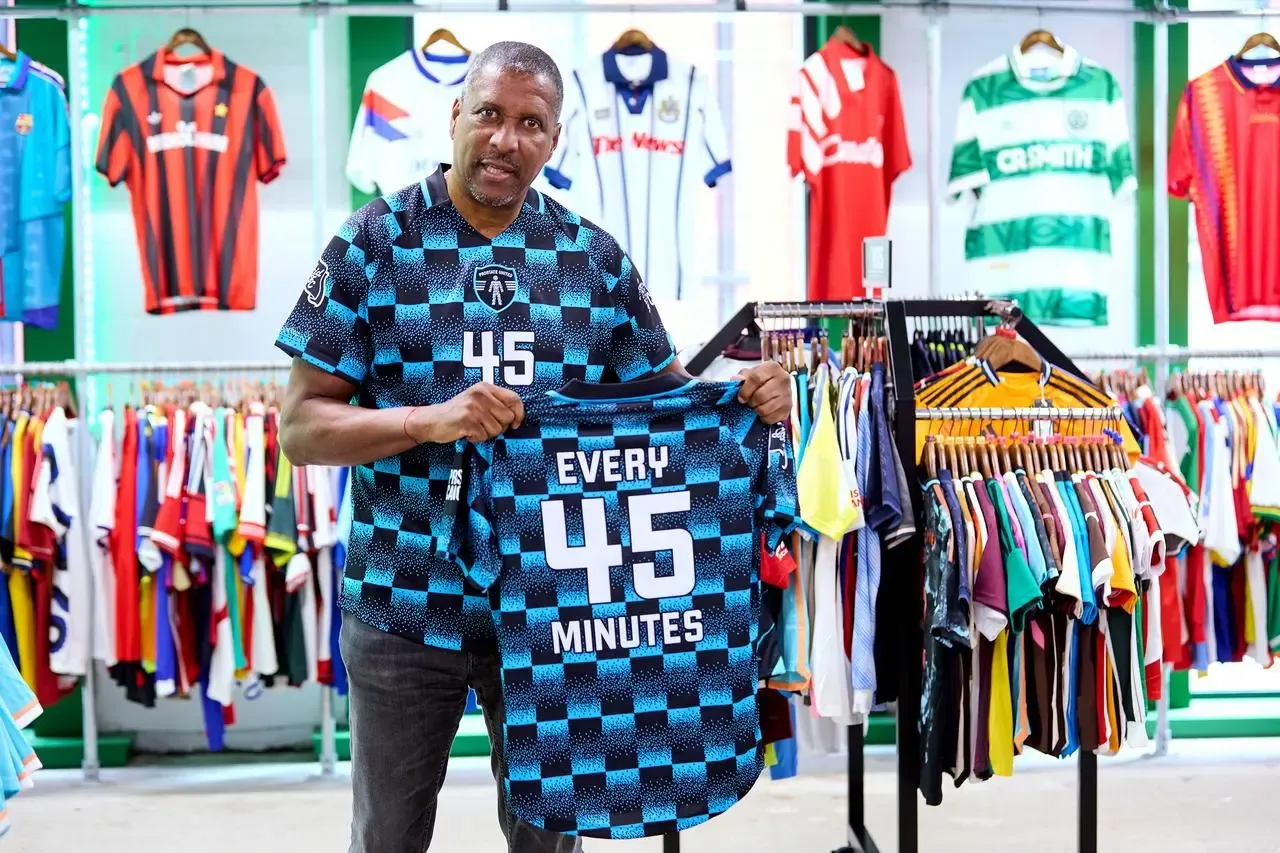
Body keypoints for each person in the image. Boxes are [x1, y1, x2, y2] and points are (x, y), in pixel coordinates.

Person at [275, 41, 794, 853]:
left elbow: (662, 407)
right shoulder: (372, 245)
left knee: (553, 840)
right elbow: (301, 426)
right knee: (387, 838)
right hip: (403, 605)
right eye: (488, 114)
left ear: (555, 141)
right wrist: (428, 420)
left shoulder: (592, 260)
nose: (505, 139)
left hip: (556, 614)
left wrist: (741, 397)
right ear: (455, 117)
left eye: (531, 123)